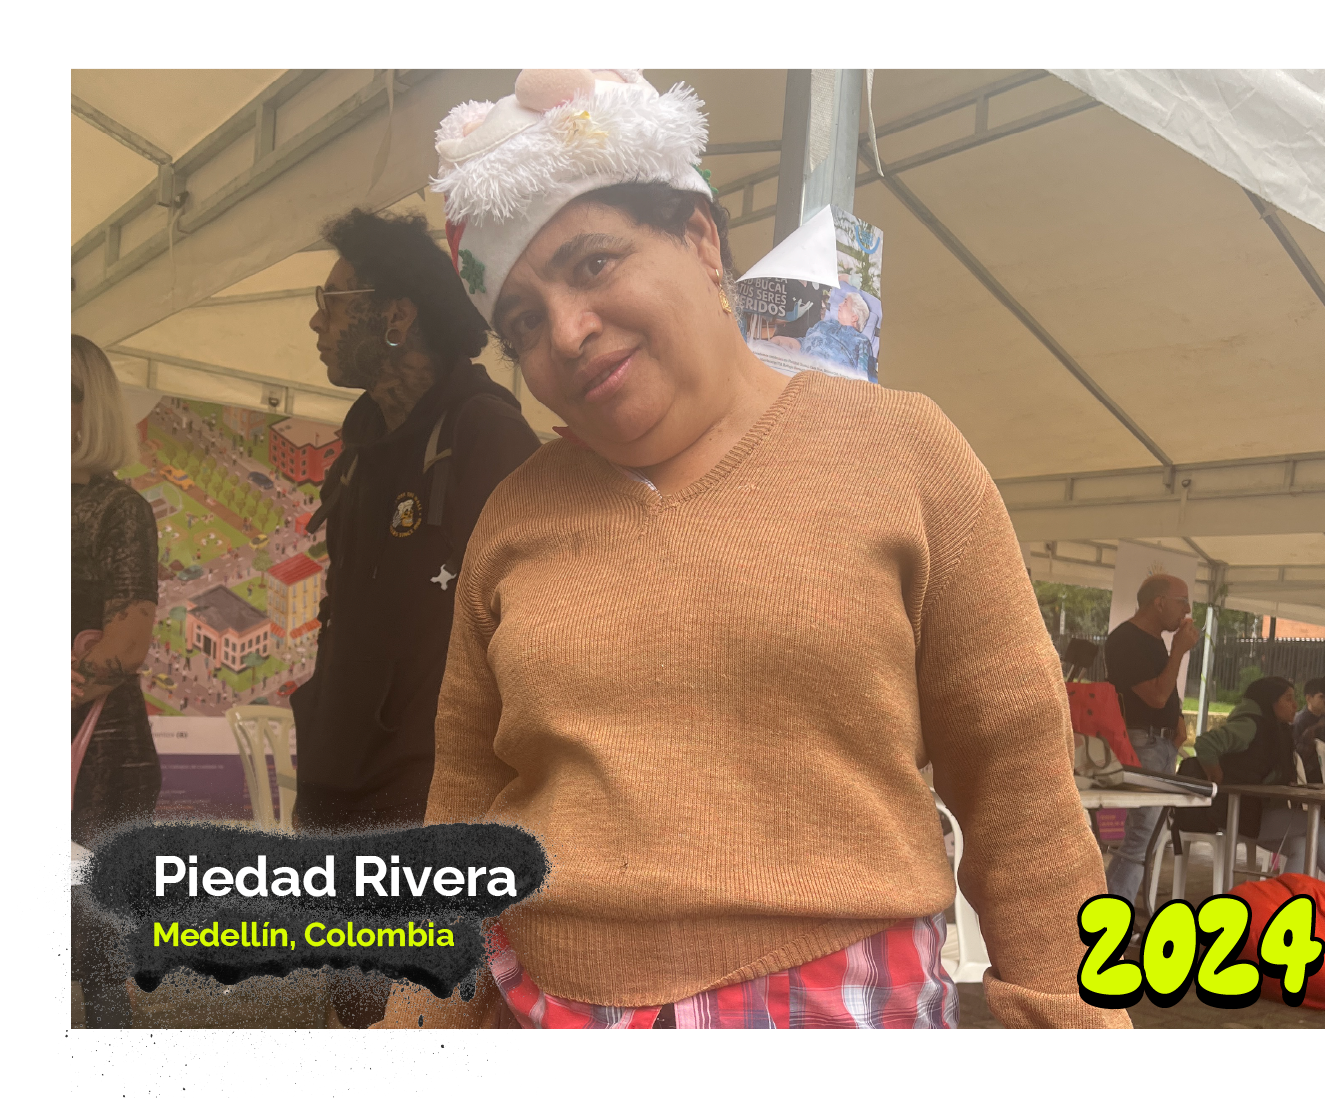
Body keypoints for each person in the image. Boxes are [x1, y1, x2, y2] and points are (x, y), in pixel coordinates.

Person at [380, 70, 1128, 1030]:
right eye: (521, 322)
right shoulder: (514, 517)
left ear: (700, 239)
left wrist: (1071, 1035)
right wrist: (414, 1024)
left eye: (595, 264)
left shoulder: (905, 451)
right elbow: (465, 805)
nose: (565, 332)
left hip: (841, 1020)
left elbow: (1017, 781)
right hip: (550, 1022)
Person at [290, 207, 540, 1027]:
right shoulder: (363, 446)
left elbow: (534, 628)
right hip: (340, 777)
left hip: (431, 791)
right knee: (350, 997)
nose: (317, 322)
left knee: (417, 1017)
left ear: (394, 317)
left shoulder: (487, 436)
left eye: (333, 301)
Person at [70, 335, 161, 1028]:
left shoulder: (115, 509)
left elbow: (125, 645)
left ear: (90, 409)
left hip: (98, 761)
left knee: (93, 952)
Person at [1182, 676, 1325, 887]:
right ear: (1271, 701)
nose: (1295, 705)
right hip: (1236, 812)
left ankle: (1282, 905)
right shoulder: (1250, 724)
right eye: (1288, 699)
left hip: (1255, 812)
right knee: (1315, 827)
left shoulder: (1277, 728)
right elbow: (1205, 744)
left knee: (1300, 846)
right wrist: (1216, 776)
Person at [1102, 573, 1199, 905]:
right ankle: (1112, 917)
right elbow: (1156, 696)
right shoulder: (1126, 640)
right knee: (1142, 836)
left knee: (1146, 836)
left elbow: (1164, 694)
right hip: (1142, 742)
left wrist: (1178, 718)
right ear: (1159, 602)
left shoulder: (1155, 639)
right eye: (1182, 601)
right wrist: (1179, 653)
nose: (1187, 610)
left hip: (1159, 743)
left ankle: (1112, 913)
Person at [800, 288, 874, 378]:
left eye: (845, 303)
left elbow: (864, 377)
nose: (839, 305)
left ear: (854, 317)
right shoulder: (824, 324)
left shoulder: (861, 341)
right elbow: (804, 340)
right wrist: (785, 341)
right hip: (800, 366)